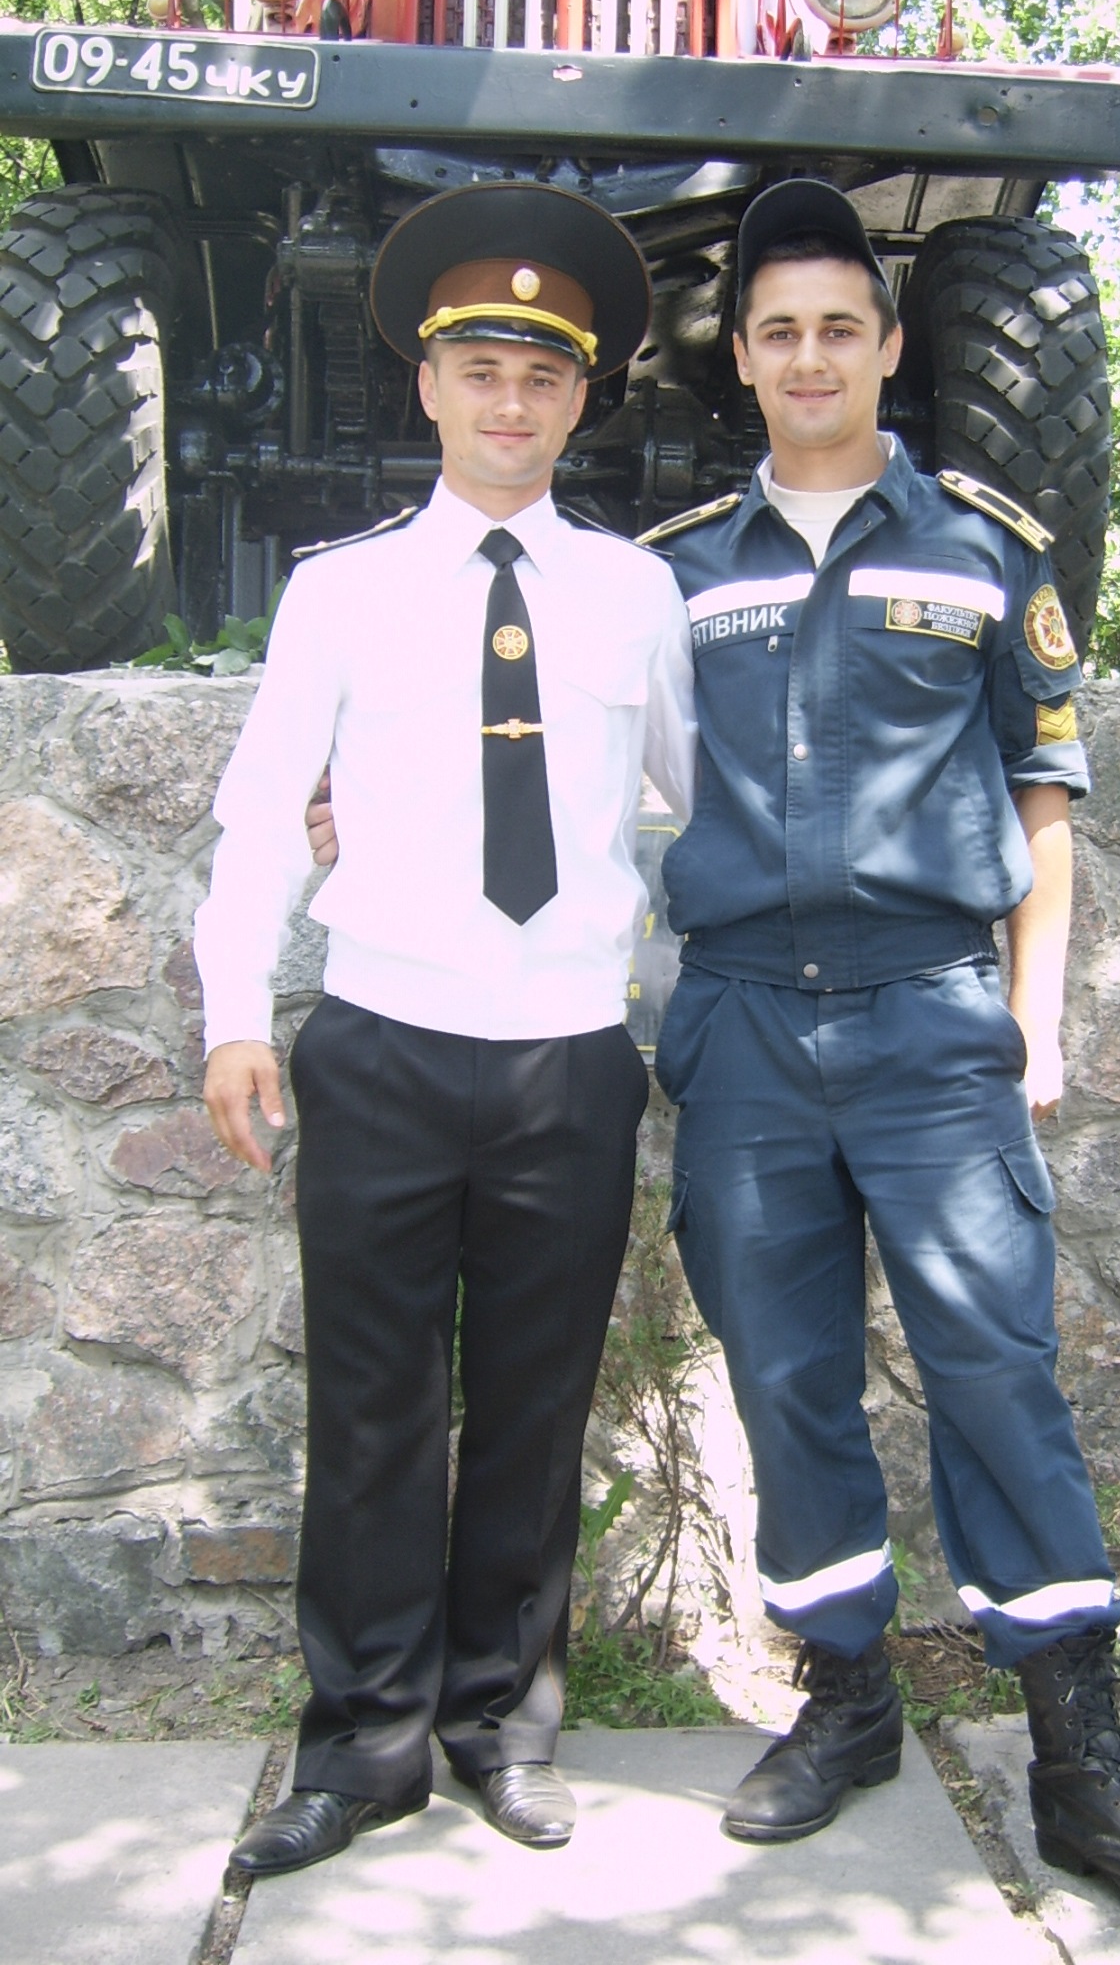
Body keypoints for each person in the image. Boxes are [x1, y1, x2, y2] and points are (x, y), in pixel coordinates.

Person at [637, 180, 1120, 1944]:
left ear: (889, 347)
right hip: (744, 1024)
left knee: (997, 1375)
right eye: (778, 331)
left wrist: (1035, 1019)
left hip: (929, 1021)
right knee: (787, 1381)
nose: (809, 357)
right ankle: (846, 1699)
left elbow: (1043, 801)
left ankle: (1083, 1762)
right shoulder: (674, 572)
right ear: (740, 358)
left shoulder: (983, 547)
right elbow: (558, 758)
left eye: (840, 326)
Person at [195, 181, 695, 1877]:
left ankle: (503, 1727)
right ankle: (361, 1747)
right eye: (481, 369)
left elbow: (698, 812)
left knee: (537, 1411)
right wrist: (232, 1011)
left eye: (543, 377)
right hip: (385, 1038)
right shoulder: (337, 594)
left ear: (578, 400)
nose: (510, 402)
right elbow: (263, 811)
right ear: (427, 384)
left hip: (567, 1058)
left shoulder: (637, 595)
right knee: (373, 1411)